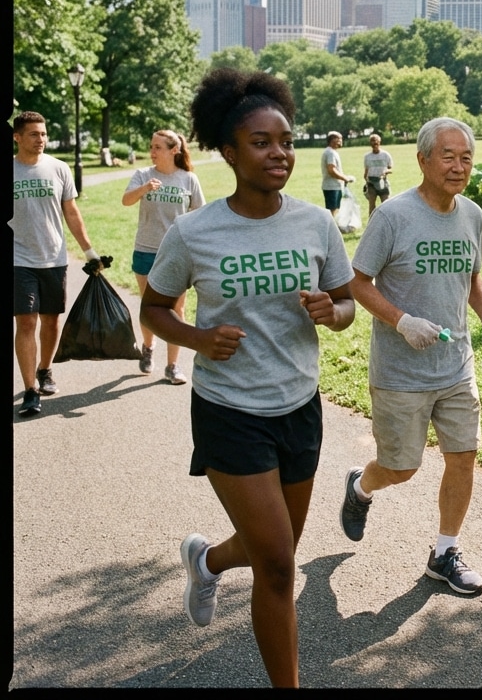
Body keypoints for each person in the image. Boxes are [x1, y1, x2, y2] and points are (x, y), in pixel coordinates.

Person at [139, 70, 355, 689]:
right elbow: (154, 307)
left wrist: (331, 312)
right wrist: (200, 339)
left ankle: (205, 561)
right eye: (260, 143)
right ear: (228, 152)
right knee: (281, 565)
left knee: (273, 547)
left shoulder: (315, 224)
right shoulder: (195, 232)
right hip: (229, 409)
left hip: (299, 405)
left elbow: (345, 304)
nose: (278, 153)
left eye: (285, 140)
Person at [342, 116, 482, 595]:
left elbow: (471, 276)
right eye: (448, 156)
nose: (459, 166)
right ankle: (361, 487)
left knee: (464, 456)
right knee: (401, 467)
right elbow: (356, 281)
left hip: (456, 365)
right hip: (400, 372)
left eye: (466, 157)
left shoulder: (472, 215)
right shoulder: (392, 216)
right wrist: (402, 321)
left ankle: (444, 552)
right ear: (422, 160)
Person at [13, 111, 103, 417]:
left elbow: (72, 214)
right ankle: (30, 391)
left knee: (51, 321)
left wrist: (89, 252)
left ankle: (45, 369)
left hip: (54, 257)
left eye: (44, 134)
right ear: (17, 137)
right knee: (26, 321)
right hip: (18, 259)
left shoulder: (59, 168)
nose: (41, 140)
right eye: (34, 134)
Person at [122, 129, 205, 384]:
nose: (152, 151)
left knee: (177, 308)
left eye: (158, 147)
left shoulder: (188, 179)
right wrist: (144, 189)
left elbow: (199, 214)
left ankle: (173, 366)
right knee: (150, 307)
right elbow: (126, 200)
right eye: (152, 146)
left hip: (177, 254)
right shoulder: (143, 175)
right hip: (146, 249)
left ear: (174, 150)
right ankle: (148, 347)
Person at [321, 130, 354, 221]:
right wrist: (345, 178)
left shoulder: (332, 152)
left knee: (335, 209)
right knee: (332, 210)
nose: (341, 141)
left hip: (335, 186)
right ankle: (330, 230)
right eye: (339, 139)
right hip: (332, 186)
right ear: (333, 140)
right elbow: (331, 170)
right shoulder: (330, 152)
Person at [362, 133, 394, 215]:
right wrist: (366, 181)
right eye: (372, 141)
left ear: (380, 142)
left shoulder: (385, 155)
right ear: (370, 143)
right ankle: (372, 224)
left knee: (386, 204)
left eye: (376, 141)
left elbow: (391, 168)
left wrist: (385, 172)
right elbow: (366, 171)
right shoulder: (367, 156)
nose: (374, 143)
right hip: (371, 183)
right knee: (371, 205)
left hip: (383, 182)